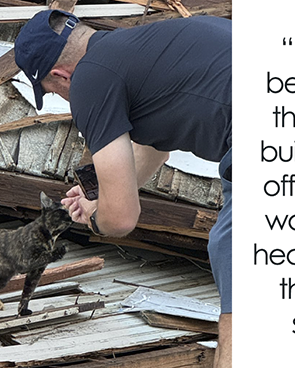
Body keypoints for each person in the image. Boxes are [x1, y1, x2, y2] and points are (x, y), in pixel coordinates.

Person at [14, 9, 232, 368]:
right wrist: (98, 194)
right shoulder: (141, 45)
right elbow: (155, 145)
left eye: (54, 92)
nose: (66, 101)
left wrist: (98, 219)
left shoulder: (90, 79)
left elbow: (122, 219)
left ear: (59, 75)